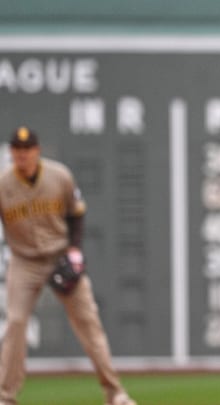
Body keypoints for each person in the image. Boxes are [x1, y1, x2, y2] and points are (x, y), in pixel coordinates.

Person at [0, 127, 137, 405]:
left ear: (37, 151)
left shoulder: (59, 176)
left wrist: (74, 249)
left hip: (59, 254)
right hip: (24, 261)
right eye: (18, 150)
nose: (22, 155)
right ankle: (5, 397)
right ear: (12, 152)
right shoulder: (3, 184)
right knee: (15, 322)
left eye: (27, 150)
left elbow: (77, 215)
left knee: (89, 323)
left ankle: (115, 393)